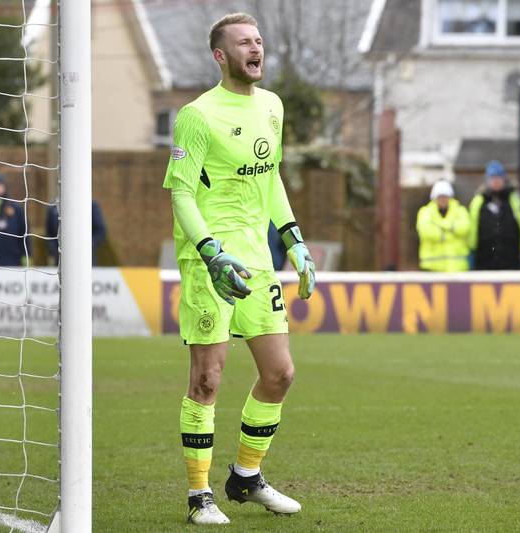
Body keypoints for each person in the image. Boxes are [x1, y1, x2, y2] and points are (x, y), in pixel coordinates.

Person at [162, 12, 315, 525]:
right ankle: (198, 496)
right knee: (207, 379)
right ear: (220, 56)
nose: (256, 49)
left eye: (259, 41)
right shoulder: (197, 115)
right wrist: (209, 251)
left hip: (256, 258)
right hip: (210, 260)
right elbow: (181, 192)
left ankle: (246, 477)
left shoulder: (272, 106)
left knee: (280, 373)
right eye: (244, 43)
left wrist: (294, 242)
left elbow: (270, 181)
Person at [468, 160, 520, 270]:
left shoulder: (516, 199)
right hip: (484, 261)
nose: (496, 181)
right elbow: (470, 227)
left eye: (498, 178)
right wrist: (470, 251)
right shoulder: (478, 201)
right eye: (492, 178)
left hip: (512, 260)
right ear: (487, 180)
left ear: (504, 179)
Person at [416, 180, 470, 272]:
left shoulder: (460, 210)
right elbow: (426, 232)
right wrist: (452, 229)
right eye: (440, 196)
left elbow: (465, 228)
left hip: (457, 267)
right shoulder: (425, 212)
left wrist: (441, 226)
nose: (443, 199)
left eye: (445, 196)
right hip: (432, 267)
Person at [45, 200, 107, 266]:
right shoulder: (53, 207)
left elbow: (100, 231)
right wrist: (55, 251)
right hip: (61, 260)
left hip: (85, 260)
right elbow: (49, 234)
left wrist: (87, 246)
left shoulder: (91, 206)